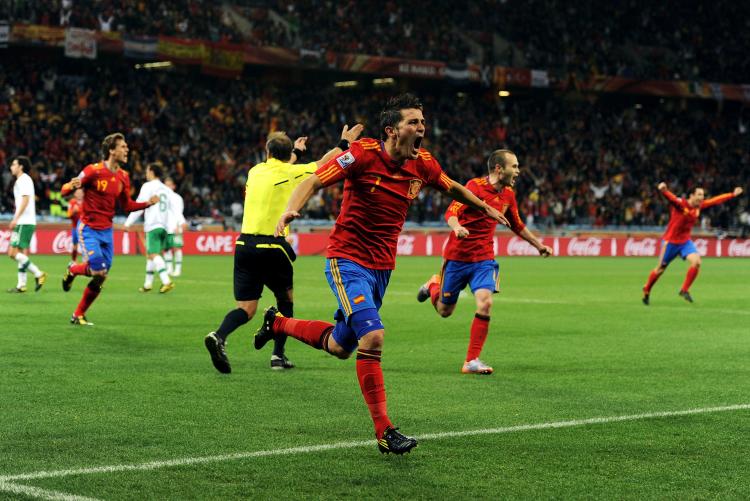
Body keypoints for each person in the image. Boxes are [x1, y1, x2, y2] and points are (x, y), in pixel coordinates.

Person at [255, 94, 508, 455]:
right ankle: (384, 431)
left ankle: (277, 323)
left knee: (341, 345)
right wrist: (290, 211)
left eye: (422, 121)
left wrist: (484, 207)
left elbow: (451, 187)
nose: (421, 128)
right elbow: (313, 181)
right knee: (372, 336)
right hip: (347, 260)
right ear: (391, 130)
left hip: (382, 267)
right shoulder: (361, 154)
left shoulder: (423, 164)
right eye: (413, 122)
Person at [204, 125, 363, 373]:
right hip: (273, 245)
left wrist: (295, 152)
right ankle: (278, 355)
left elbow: (280, 166)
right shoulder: (294, 173)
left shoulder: (254, 171)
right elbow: (323, 163)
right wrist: (343, 143)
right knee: (285, 301)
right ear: (287, 153)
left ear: (267, 151)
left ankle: (219, 336)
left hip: (245, 244)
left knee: (246, 308)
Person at [416, 149, 552, 375]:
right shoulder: (474, 187)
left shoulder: (508, 194)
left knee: (485, 303)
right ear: (499, 169)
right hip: (457, 258)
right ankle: (433, 284)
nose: (518, 171)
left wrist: (538, 245)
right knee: (444, 310)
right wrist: (457, 227)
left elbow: (515, 224)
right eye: (514, 166)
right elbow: (451, 212)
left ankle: (471, 360)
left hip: (484, 259)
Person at [60, 133, 158, 325]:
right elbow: (64, 191)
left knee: (101, 277)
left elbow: (127, 205)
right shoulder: (92, 171)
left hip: (107, 232)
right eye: (122, 146)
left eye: (126, 146)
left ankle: (78, 313)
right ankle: (73, 270)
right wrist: (72, 185)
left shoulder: (123, 177)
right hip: (88, 228)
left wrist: (147, 204)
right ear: (111, 150)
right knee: (98, 270)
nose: (126, 149)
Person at [642, 182, 744, 304]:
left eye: (703, 195)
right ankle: (647, 289)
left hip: (685, 242)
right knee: (660, 270)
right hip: (670, 242)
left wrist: (732, 194)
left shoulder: (699, 206)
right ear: (691, 195)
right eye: (699, 194)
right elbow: (672, 198)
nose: (702, 197)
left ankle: (684, 290)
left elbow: (715, 200)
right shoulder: (681, 204)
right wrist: (664, 190)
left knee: (696, 262)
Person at [123, 163, 175, 293]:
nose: (146, 173)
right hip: (164, 226)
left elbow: (139, 206)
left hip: (153, 225)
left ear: (152, 172)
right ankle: (148, 284)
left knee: (153, 254)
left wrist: (128, 223)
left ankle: (166, 281)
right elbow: (170, 210)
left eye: (147, 171)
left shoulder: (148, 186)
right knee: (151, 255)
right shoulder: (166, 189)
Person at [6, 156, 47, 293]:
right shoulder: (25, 180)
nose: (11, 167)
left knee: (12, 253)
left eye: (14, 164)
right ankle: (21, 284)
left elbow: (25, 200)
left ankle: (38, 273)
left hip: (24, 221)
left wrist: (15, 218)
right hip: (27, 221)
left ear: (21, 166)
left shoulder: (23, 180)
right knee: (21, 253)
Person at [163, 177, 185, 277]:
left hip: (175, 226)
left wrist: (178, 225)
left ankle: (178, 269)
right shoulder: (162, 197)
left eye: (169, 185)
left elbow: (179, 212)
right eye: (165, 185)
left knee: (177, 248)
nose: (167, 187)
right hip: (165, 227)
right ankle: (169, 268)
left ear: (173, 186)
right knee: (166, 248)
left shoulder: (177, 198)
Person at [67, 188, 84, 262]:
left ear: (83, 194)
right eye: (78, 193)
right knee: (75, 246)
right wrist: (73, 211)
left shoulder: (86, 202)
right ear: (75, 194)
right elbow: (68, 215)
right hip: (75, 227)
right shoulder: (72, 202)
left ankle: (87, 261)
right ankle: (74, 261)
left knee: (86, 246)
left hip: (85, 228)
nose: (79, 194)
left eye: (81, 193)